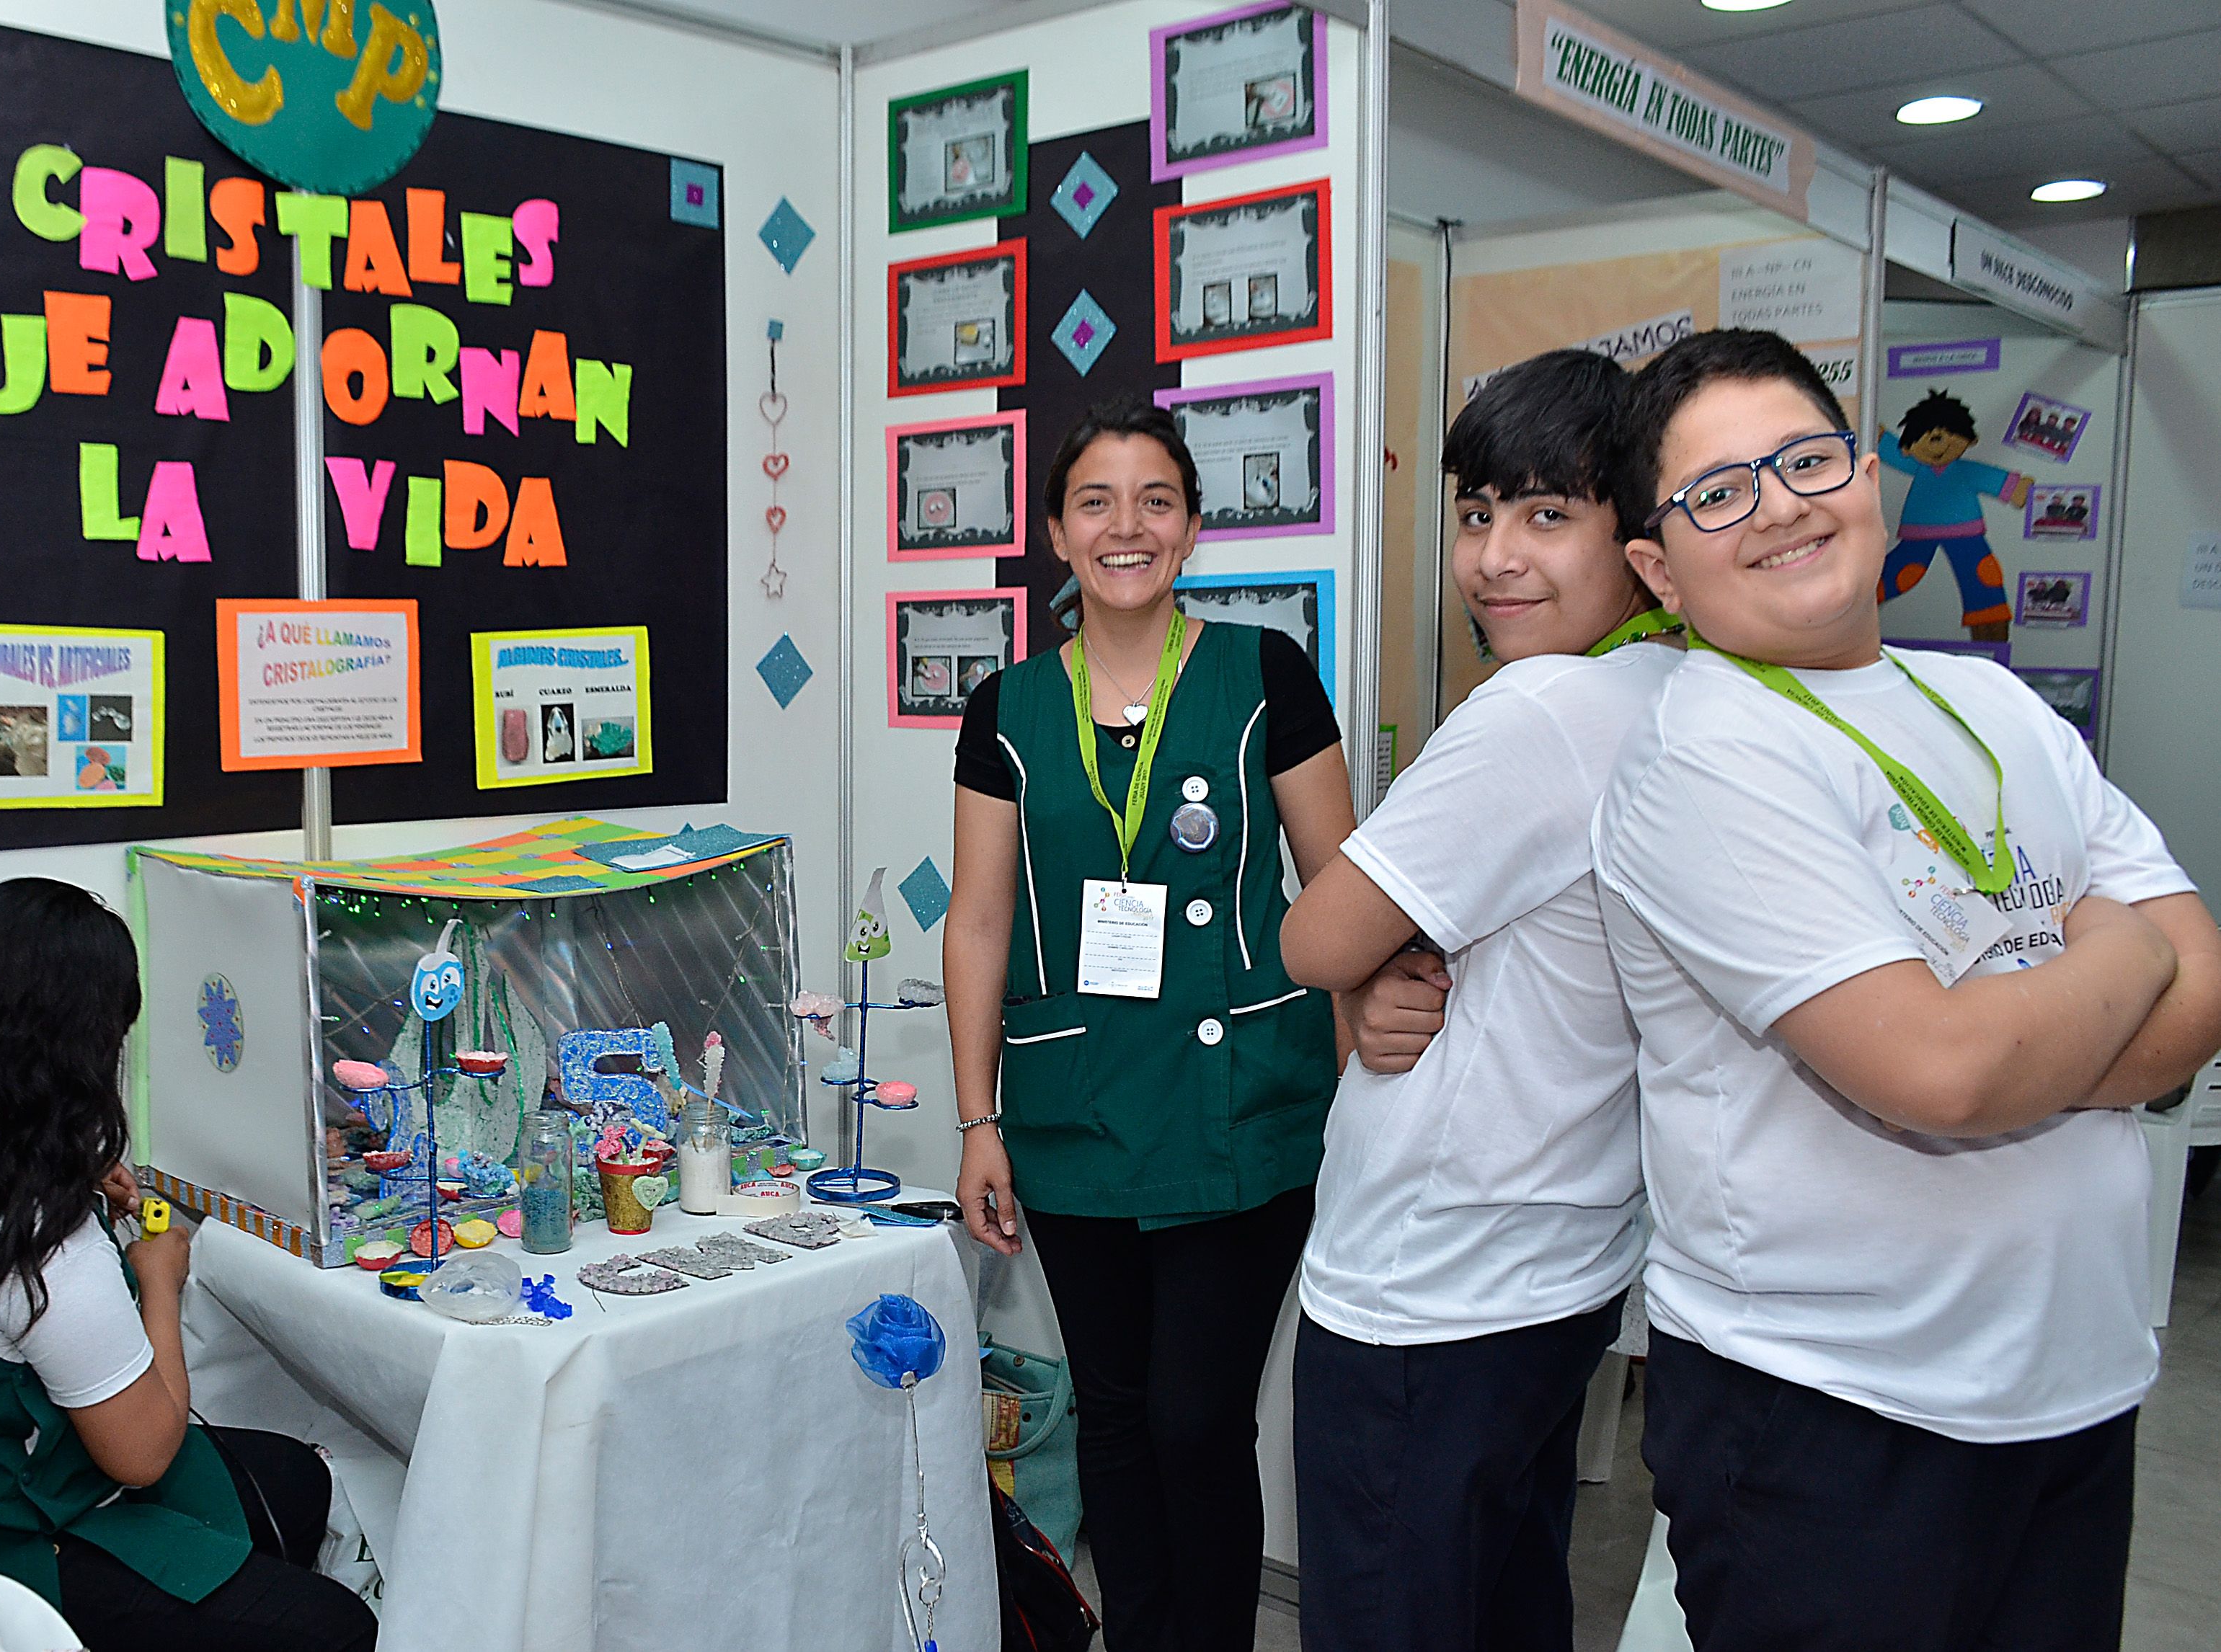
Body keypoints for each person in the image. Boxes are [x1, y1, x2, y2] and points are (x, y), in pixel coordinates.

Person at [1595, 329, 2221, 1651]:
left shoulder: (1995, 704)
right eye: (1719, 492)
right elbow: (1942, 1076)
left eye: (1806, 461)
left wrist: (2012, 1035)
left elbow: (2202, 994)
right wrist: (2115, 952)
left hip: (2073, 1384)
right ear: (1657, 568)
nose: (1779, 506)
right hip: (1835, 1415)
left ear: (1869, 479)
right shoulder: (1705, 754)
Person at [943, 394, 1356, 1651]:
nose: (1126, 526)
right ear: (1056, 534)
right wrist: (976, 1121)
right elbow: (979, 922)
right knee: (1115, 1414)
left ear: (1190, 528)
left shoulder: (1262, 674)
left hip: (1244, 1111)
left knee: (1195, 1417)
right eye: (1096, 503)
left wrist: (1372, 1099)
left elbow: (1342, 889)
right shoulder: (1006, 707)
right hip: (1073, 1111)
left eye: (1155, 501)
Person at [1280, 349, 1677, 1652]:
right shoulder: (1675, 689)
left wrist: (1361, 964)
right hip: (1561, 1265)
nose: (1496, 556)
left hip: (1430, 1283)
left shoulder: (1539, 711)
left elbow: (1313, 934)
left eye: (1547, 514)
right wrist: (1378, 976)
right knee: (1508, 1602)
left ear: (1639, 534)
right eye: (1474, 512)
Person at [0, 879, 378, 1652]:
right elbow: (146, 1452)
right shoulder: (39, 1242)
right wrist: (159, 1282)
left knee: (295, 1477)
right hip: (1, 1553)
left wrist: (68, 1170)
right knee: (337, 1626)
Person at [1875, 388, 2032, 641]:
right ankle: (1855, 606)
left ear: (1970, 440)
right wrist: (1879, 437)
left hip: (1964, 532)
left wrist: (2015, 488)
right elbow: (1892, 451)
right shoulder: (1918, 465)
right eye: (1928, 437)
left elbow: (1986, 477)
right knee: (1900, 572)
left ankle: (1991, 638)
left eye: (1949, 436)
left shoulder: (1963, 471)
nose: (1939, 445)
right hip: (1921, 531)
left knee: (1982, 577)